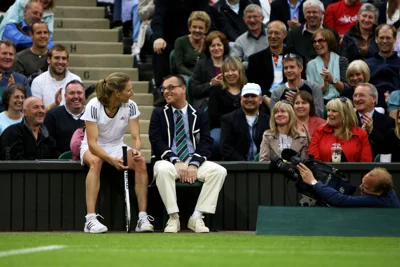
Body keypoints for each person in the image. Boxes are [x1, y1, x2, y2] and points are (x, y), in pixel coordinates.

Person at [149, 74, 226, 233]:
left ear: (183, 88)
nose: (166, 92)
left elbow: (206, 142)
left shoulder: (199, 113)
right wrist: (175, 160)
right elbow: (157, 143)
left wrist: (193, 164)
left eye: (171, 88)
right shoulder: (158, 113)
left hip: (193, 160)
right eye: (164, 89)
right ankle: (173, 217)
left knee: (219, 171)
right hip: (169, 161)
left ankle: (196, 216)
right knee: (162, 169)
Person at [80, 72, 154, 234]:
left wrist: (137, 150)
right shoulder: (93, 105)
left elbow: (136, 137)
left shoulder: (131, 105)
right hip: (92, 146)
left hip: (116, 146)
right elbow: (92, 143)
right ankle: (90, 219)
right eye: (129, 90)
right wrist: (110, 159)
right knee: (96, 162)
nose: (132, 93)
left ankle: (142, 217)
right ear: (117, 93)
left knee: (140, 161)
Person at [151, 0, 211, 90]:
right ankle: (162, 88)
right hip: (169, 38)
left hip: (194, 36)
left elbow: (205, 17)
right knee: (159, 48)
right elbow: (158, 17)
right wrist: (159, 37)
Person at [298, 165, 400, 208]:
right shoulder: (387, 192)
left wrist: (313, 182)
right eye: (362, 183)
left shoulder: (382, 201)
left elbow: (340, 200)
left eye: (366, 188)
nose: (361, 187)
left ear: (379, 192)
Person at [309, 97, 372, 162]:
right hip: (324, 171)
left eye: (334, 111)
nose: (329, 114)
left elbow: (366, 162)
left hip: (354, 172)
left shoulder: (360, 134)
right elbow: (314, 159)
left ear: (345, 114)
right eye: (328, 110)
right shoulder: (320, 131)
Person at [208, 56, 247, 158]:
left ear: (240, 71)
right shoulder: (216, 90)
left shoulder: (247, 89)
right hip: (221, 127)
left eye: (233, 70)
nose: (230, 74)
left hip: (245, 126)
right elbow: (213, 115)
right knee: (215, 140)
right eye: (226, 71)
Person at [220, 83, 270, 161]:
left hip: (263, 167)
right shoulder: (228, 119)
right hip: (237, 168)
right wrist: (245, 165)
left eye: (253, 96)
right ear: (241, 99)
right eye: (246, 96)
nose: (249, 99)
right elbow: (226, 148)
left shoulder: (269, 120)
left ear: (260, 100)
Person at [247, 20, 288, 110]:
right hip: (265, 98)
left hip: (288, 97)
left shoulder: (294, 56)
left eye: (277, 33)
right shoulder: (255, 59)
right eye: (270, 33)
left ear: (285, 35)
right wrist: (264, 98)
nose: (273, 36)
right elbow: (253, 84)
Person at [270, 53, 324, 117]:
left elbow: (319, 115)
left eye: (292, 67)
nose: (288, 70)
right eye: (286, 68)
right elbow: (274, 119)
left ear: (301, 68)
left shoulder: (314, 87)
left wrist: (298, 102)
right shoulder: (277, 92)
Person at [31, 44, 81, 109]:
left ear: (67, 62)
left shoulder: (76, 80)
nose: (60, 62)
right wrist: (55, 104)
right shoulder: (38, 82)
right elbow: (37, 113)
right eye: (57, 58)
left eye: (64, 58)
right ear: (49, 60)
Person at [306, 28, 350, 103]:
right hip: (320, 103)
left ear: (329, 41)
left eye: (320, 40)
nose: (317, 44)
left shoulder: (342, 61)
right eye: (314, 42)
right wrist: (324, 86)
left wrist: (332, 80)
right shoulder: (310, 65)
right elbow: (311, 94)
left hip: (341, 101)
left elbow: (347, 89)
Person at [353, 83, 395, 159]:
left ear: (373, 99)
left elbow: (389, 149)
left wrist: (372, 131)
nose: (357, 99)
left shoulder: (388, 122)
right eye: (355, 95)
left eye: (361, 95)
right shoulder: (348, 120)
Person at [44, 80, 86, 154]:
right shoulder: (52, 116)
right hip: (60, 162)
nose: (76, 96)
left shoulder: (92, 115)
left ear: (84, 96)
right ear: (65, 96)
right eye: (72, 93)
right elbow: (48, 146)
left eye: (79, 93)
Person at [191, 31, 229, 109]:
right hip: (207, 100)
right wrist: (211, 84)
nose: (216, 48)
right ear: (208, 48)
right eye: (212, 46)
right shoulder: (201, 65)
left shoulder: (231, 63)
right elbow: (194, 90)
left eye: (219, 45)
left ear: (224, 46)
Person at [366, 24, 400, 109]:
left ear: (395, 39)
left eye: (388, 38)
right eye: (381, 38)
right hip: (371, 105)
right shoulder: (367, 64)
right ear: (376, 39)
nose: (384, 41)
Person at [173, 11, 210, 80]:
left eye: (201, 28)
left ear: (206, 30)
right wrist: (194, 76)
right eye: (194, 27)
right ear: (189, 28)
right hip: (186, 76)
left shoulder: (209, 42)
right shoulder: (180, 41)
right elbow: (179, 66)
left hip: (205, 77)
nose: (197, 30)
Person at [229, 4, 269, 69]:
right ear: (244, 20)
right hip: (249, 76)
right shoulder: (240, 41)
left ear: (262, 18)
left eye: (255, 16)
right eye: (249, 17)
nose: (252, 20)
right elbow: (234, 64)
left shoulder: (271, 35)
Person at [0, 40, 31, 112]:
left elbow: (28, 107)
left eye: (11, 54)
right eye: (4, 53)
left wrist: (13, 92)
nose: (8, 57)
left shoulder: (22, 80)